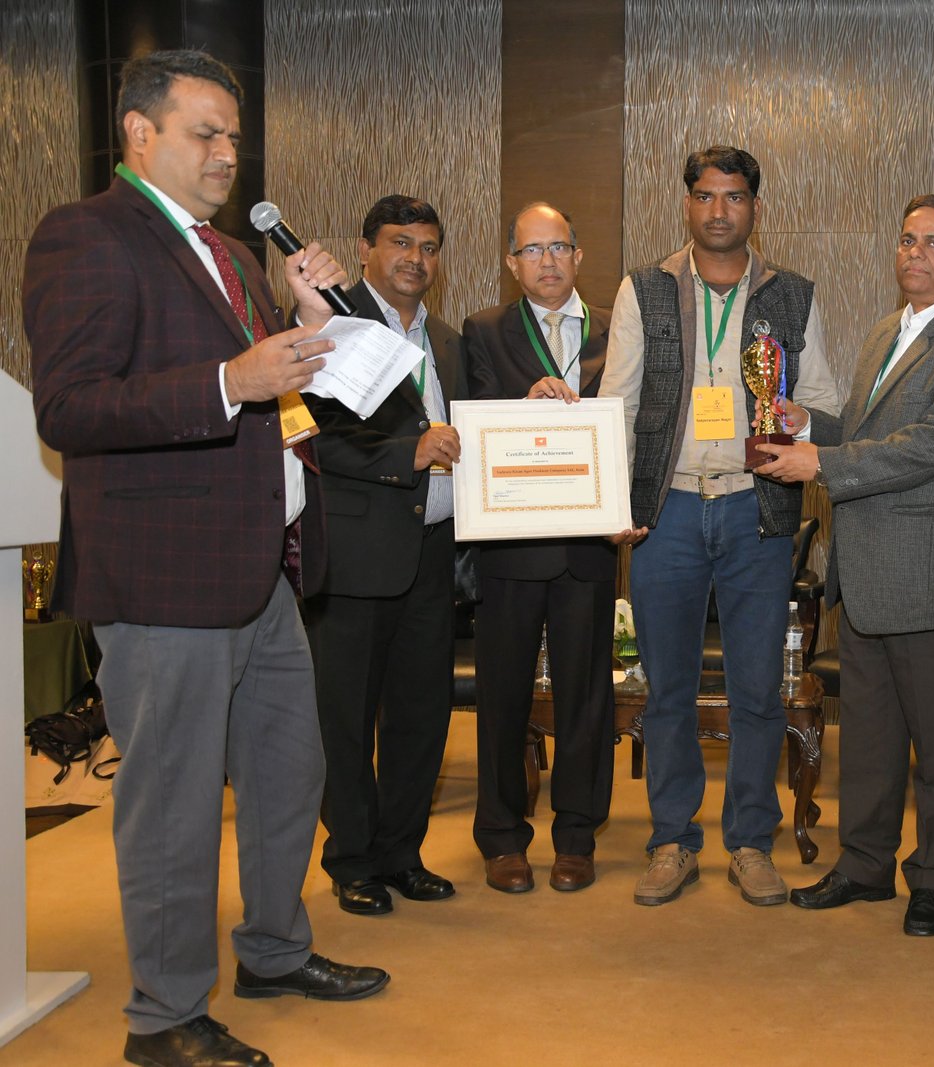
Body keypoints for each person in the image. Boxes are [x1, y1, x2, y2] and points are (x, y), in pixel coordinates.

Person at [25, 49, 387, 1067]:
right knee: (174, 803)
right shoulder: (87, 235)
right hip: (165, 573)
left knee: (288, 772)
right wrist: (232, 379)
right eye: (206, 132)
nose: (229, 151)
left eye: (234, 134)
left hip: (263, 564)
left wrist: (306, 327)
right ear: (140, 133)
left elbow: (274, 394)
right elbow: (71, 407)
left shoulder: (229, 253)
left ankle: (273, 950)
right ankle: (164, 1014)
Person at [763, 194, 934, 937]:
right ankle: (865, 864)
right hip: (868, 569)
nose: (915, 253)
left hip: (933, 576)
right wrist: (809, 424)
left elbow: (932, 445)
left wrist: (820, 461)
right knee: (869, 742)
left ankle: (933, 878)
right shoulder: (886, 331)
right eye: (907, 240)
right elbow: (869, 430)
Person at [599, 145, 839, 907]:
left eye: (734, 197)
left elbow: (826, 403)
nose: (719, 210)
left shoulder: (793, 295)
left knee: (757, 690)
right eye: (705, 196)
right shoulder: (643, 289)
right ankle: (672, 839)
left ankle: (751, 841)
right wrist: (615, 503)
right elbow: (619, 402)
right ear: (687, 204)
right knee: (666, 687)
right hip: (666, 509)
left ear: (755, 208)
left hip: (753, 508)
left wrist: (798, 415)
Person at [301, 195, 462, 916]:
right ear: (365, 248)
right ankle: (352, 858)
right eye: (399, 242)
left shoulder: (447, 340)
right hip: (357, 552)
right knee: (346, 716)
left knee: (421, 716)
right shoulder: (333, 327)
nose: (414, 259)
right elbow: (317, 438)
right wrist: (409, 452)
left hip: (433, 550)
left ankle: (402, 853)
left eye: (427, 246)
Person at [461, 203, 617, 894]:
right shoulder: (483, 330)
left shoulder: (617, 328)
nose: (547, 261)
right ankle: (502, 837)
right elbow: (472, 421)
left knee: (587, 698)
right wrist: (523, 406)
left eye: (559, 247)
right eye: (532, 250)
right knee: (502, 696)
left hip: (589, 543)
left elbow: (633, 423)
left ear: (579, 256)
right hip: (511, 543)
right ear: (511, 262)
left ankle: (577, 836)